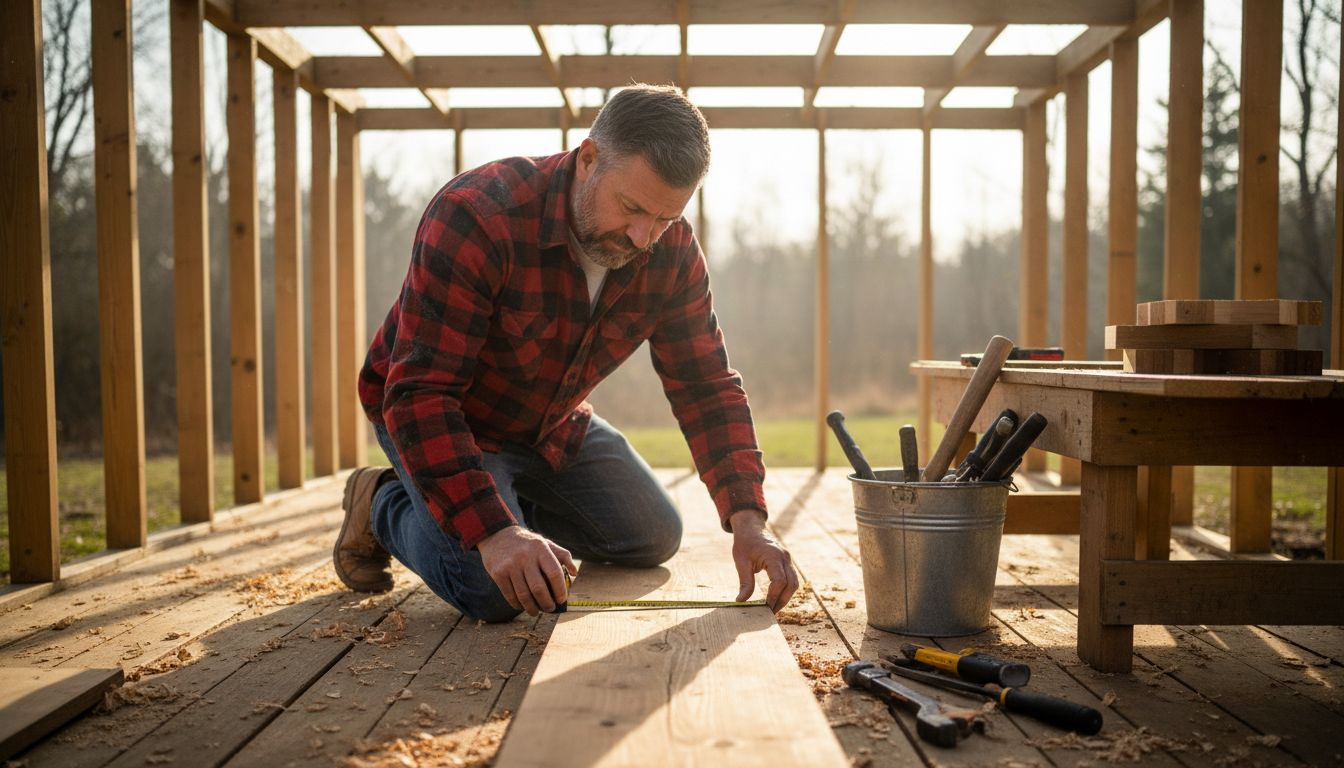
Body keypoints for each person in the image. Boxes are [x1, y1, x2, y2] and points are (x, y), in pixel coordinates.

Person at [334, 84, 798, 621]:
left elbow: (706, 385)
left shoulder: (670, 251)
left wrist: (750, 520)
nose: (643, 237)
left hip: (550, 422)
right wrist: (497, 533)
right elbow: (421, 395)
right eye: (631, 208)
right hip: (444, 417)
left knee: (653, 537)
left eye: (665, 219)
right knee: (491, 585)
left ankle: (487, 501)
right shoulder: (477, 215)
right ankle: (384, 502)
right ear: (589, 158)